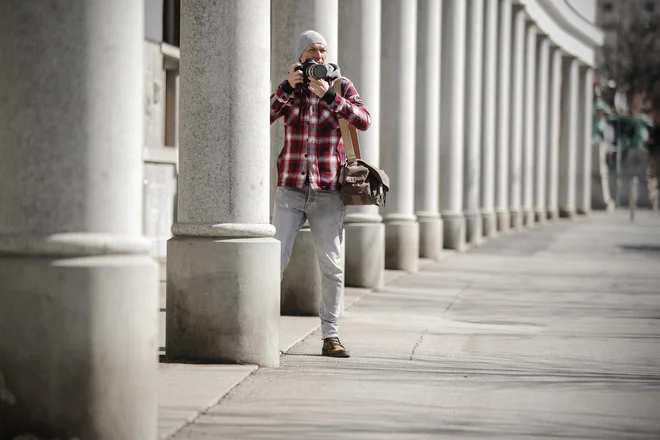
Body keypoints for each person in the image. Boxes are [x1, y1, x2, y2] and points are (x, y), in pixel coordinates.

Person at [270, 30, 371, 358]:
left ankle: (331, 335)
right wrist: (288, 86)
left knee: (332, 265)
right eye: (313, 51)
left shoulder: (341, 85)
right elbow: (264, 116)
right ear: (301, 57)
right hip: (291, 189)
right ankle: (262, 329)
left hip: (328, 191)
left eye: (323, 51)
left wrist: (330, 96)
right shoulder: (292, 89)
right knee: (274, 263)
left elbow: (364, 120)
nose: (320, 57)